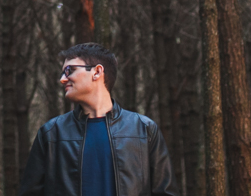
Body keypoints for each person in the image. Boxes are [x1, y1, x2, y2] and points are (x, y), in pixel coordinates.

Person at [19, 43, 178, 196]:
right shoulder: (51, 133)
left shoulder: (144, 130)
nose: (63, 79)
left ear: (97, 72)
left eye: (69, 70)